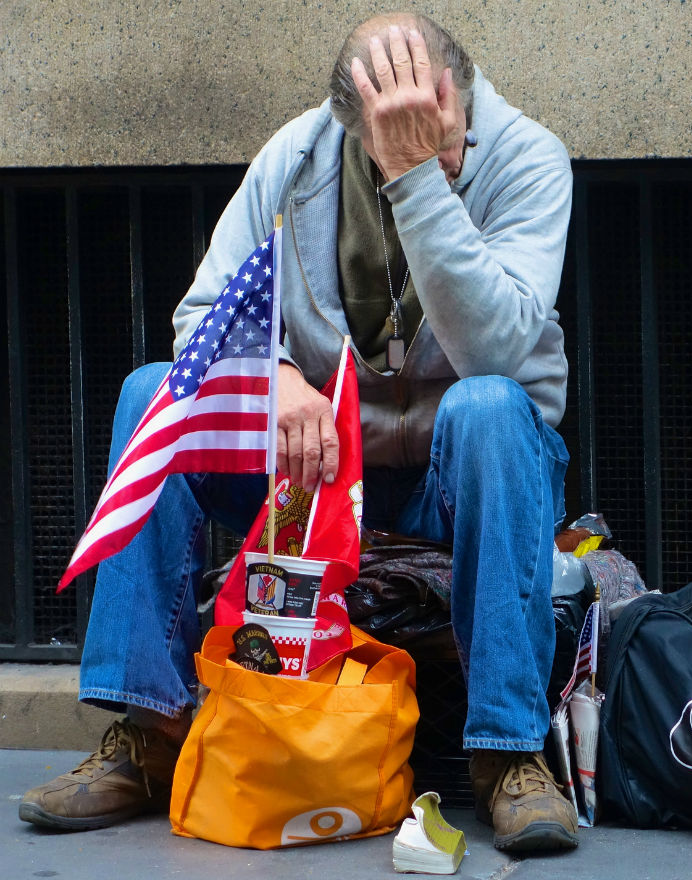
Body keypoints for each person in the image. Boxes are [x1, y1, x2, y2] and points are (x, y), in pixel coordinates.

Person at [20, 11, 579, 854]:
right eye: (404, 138)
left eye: (447, 130)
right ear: (354, 127)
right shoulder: (297, 159)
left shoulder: (530, 158)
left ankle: (508, 754)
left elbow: (496, 348)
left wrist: (417, 177)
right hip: (321, 477)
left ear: (459, 91)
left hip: (460, 479)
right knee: (149, 396)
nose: (445, 150)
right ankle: (149, 734)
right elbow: (201, 318)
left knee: (492, 405)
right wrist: (274, 377)